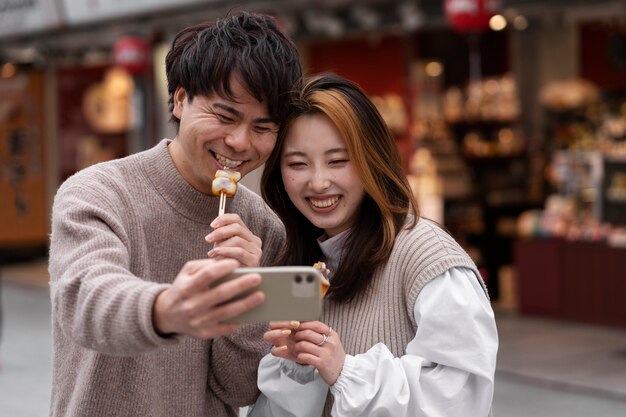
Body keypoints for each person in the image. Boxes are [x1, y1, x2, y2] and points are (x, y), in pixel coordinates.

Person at [48, 12, 301, 417]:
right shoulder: (97, 193)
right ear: (181, 100)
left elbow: (239, 388)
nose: (239, 142)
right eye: (225, 116)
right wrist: (168, 308)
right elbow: (84, 304)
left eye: (262, 127)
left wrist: (252, 296)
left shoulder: (263, 229)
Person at [248, 73, 498, 417]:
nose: (318, 182)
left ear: (372, 160)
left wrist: (344, 370)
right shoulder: (303, 260)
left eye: (338, 160)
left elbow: (460, 399)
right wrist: (300, 367)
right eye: (297, 164)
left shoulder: (426, 256)